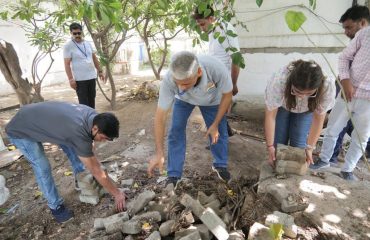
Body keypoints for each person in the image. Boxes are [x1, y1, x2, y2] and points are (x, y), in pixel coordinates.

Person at [5, 101, 125, 223]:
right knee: (43, 167)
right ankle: (55, 206)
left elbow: (87, 146)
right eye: (103, 138)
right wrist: (116, 193)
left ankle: (81, 179)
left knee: (76, 148)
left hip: (38, 118)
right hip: (21, 130)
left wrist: (90, 154)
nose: (103, 141)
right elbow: (95, 169)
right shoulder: (78, 130)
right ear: (95, 129)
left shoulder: (95, 117)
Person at [147, 51, 233, 185]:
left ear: (198, 72)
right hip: (183, 100)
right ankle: (174, 175)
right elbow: (160, 117)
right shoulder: (170, 79)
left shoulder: (216, 68)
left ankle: (220, 165)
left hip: (211, 101)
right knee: (175, 131)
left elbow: (228, 95)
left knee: (219, 131)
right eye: (178, 83)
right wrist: (159, 152)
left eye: (186, 83)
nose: (181, 87)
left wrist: (215, 124)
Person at [310, 25, 370, 180]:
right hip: (347, 91)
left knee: (362, 137)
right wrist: (345, 80)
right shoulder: (365, 34)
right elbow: (344, 57)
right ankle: (324, 160)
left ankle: (347, 170)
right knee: (333, 128)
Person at [264, 60, 336, 167]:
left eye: (309, 93)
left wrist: (310, 148)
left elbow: (318, 119)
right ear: (291, 83)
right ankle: (277, 167)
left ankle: (293, 172)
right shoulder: (280, 80)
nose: (302, 96)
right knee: (278, 142)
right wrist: (270, 146)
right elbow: (270, 116)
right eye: (297, 91)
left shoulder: (326, 85)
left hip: (306, 109)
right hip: (283, 105)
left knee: (298, 145)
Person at [329, 5, 370, 166]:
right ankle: (331, 157)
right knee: (340, 123)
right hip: (347, 87)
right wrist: (344, 82)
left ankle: (339, 159)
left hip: (361, 93)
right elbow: (345, 60)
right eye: (344, 28)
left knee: (354, 126)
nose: (346, 31)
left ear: (362, 23)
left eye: (349, 27)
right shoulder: (359, 40)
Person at [193, 5, 240, 136]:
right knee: (214, 110)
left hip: (222, 80)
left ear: (211, 18)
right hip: (213, 80)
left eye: (203, 24)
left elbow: (236, 59)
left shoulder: (225, 30)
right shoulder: (213, 32)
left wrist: (233, 84)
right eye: (199, 25)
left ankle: (221, 141)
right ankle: (225, 133)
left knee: (215, 111)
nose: (201, 29)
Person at [64, 22, 105, 109]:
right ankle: (85, 121)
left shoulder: (88, 44)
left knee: (92, 100)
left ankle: (92, 120)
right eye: (75, 33)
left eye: (79, 33)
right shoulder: (68, 46)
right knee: (83, 104)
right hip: (80, 80)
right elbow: (67, 64)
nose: (77, 35)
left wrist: (100, 71)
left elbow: (94, 58)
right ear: (71, 33)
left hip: (91, 77)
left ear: (82, 32)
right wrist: (71, 79)